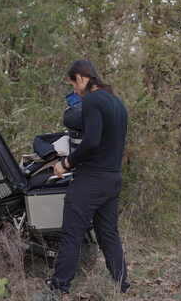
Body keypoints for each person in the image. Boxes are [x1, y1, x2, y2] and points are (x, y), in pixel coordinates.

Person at [48, 60, 130, 295]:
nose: (74, 90)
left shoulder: (92, 100)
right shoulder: (117, 102)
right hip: (112, 179)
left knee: (71, 234)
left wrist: (66, 163)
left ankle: (58, 289)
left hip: (90, 180)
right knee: (108, 234)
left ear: (82, 79)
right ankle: (122, 285)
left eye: (73, 84)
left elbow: (91, 141)